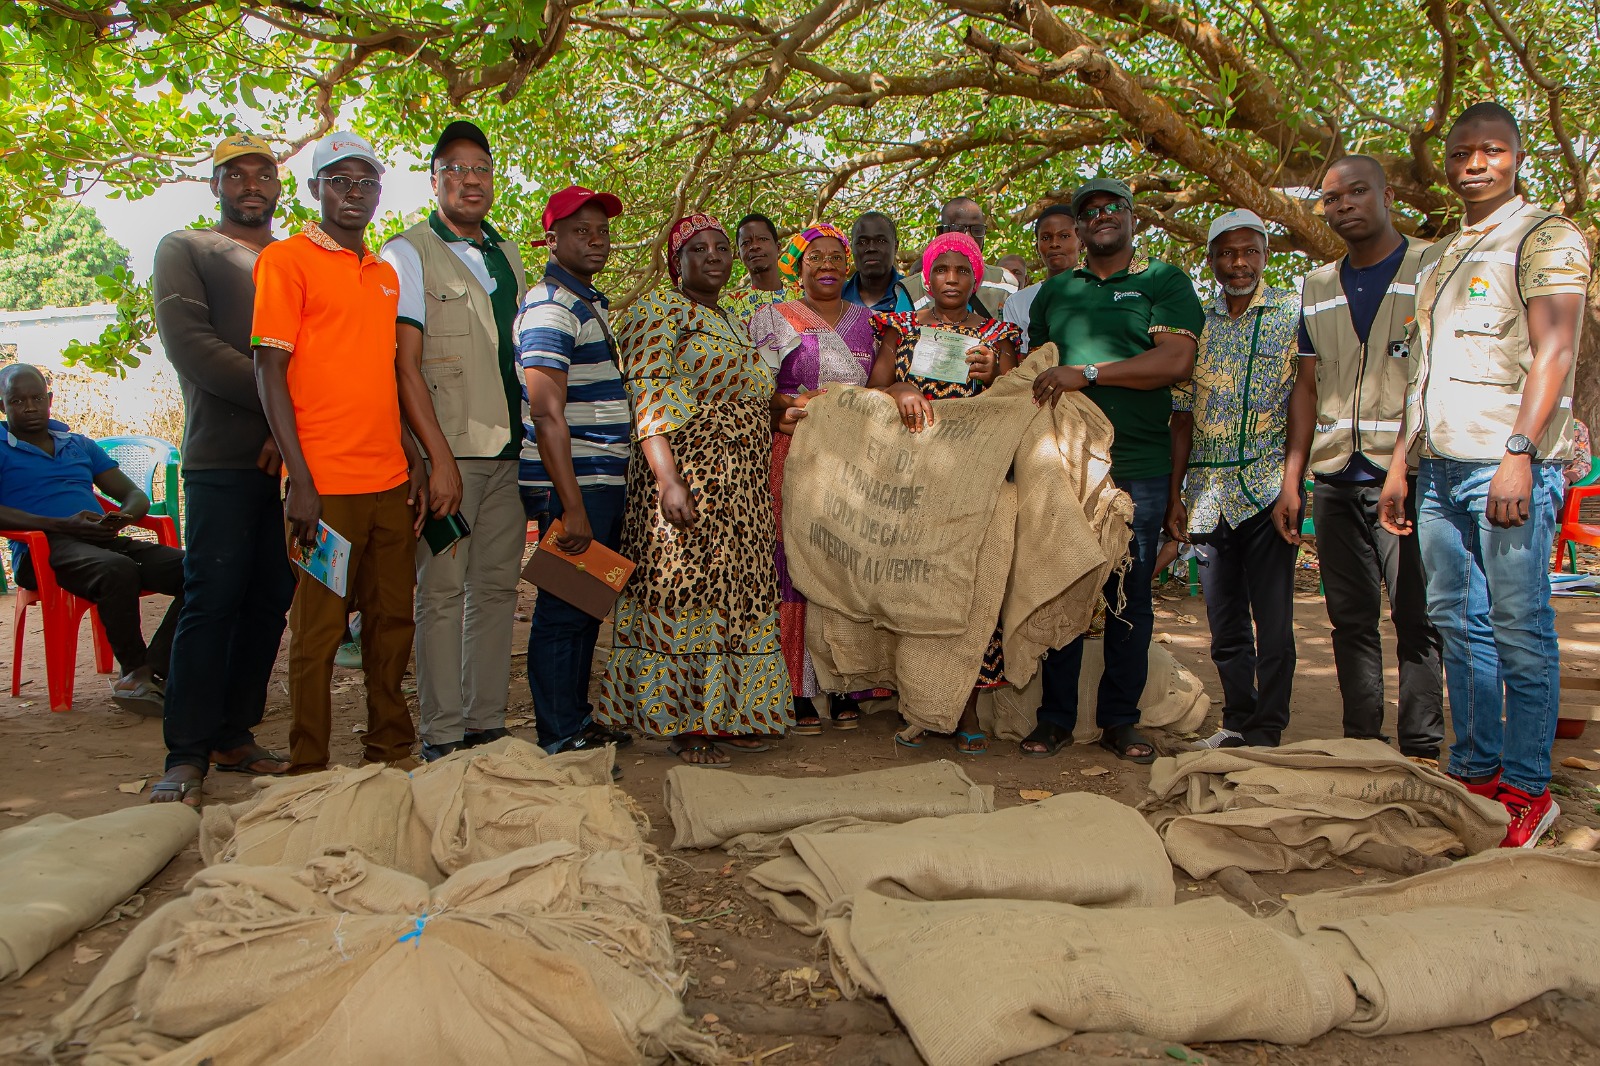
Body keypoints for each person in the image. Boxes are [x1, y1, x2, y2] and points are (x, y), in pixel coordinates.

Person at [1379, 102, 1592, 848]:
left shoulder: (1545, 237)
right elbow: (1423, 374)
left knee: (1519, 628)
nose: (1475, 163)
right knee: (1456, 626)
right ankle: (1472, 771)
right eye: (1463, 151)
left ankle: (1530, 788)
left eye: (1492, 150)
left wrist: (1519, 454)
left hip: (1504, 469)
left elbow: (1556, 352)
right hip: (1437, 469)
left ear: (1516, 157)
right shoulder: (1440, 256)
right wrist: (1402, 465)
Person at [251, 131, 427, 774]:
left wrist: (416, 461)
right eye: (339, 180)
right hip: (322, 488)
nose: (353, 193)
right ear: (315, 189)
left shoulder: (383, 272)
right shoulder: (287, 260)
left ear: (379, 194)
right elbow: (269, 366)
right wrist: (298, 477)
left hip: (388, 482)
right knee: (319, 634)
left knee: (391, 626)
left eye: (365, 183)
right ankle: (309, 767)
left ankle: (389, 753)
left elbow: (386, 374)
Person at [597, 213, 793, 764]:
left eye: (722, 247)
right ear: (675, 262)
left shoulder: (734, 316)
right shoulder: (656, 313)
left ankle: (732, 713)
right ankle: (688, 723)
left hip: (744, 487)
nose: (714, 256)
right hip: (690, 478)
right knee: (687, 592)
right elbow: (649, 398)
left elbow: (751, 392)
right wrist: (668, 481)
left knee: (738, 595)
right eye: (698, 248)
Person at [1023, 177, 1205, 763]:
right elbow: (1038, 371)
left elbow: (1175, 360)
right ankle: (1053, 719)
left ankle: (1119, 722)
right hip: (1063, 467)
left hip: (1138, 466)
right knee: (1061, 586)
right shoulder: (1055, 292)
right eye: (1089, 212)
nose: (1101, 217)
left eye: (1112, 208)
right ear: (1077, 230)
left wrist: (1091, 373)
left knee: (1129, 596)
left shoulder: (1163, 281)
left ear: (1132, 218)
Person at [1274, 155, 1444, 761]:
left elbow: (1431, 378)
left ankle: (1421, 748)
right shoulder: (1318, 286)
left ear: (1387, 194)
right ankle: (1362, 744)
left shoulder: (1432, 267)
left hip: (1411, 478)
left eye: (1356, 192)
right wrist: (1294, 480)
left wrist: (1399, 465)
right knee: (1350, 620)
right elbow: (1307, 387)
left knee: (1417, 619)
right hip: (1336, 479)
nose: (1343, 205)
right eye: (1331, 198)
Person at [149, 134, 296, 806]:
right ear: (215, 186)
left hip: (293, 468)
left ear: (278, 185)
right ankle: (185, 752)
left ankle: (234, 734)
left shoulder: (297, 259)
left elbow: (323, 353)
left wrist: (294, 436)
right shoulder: (187, 250)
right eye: (234, 174)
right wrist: (282, 415)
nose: (251, 184)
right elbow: (193, 348)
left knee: (271, 598)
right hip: (220, 461)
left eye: (263, 173)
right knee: (213, 599)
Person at [382, 120, 528, 762]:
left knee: (496, 590)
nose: (472, 180)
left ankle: (484, 725)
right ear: (434, 179)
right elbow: (403, 365)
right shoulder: (408, 251)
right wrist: (435, 458)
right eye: (457, 169)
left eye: (483, 169)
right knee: (441, 594)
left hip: (508, 452)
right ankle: (441, 735)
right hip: (452, 454)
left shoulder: (509, 253)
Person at [867, 231, 1018, 754]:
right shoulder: (900, 326)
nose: (950, 280)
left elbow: (1018, 399)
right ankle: (921, 710)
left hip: (975, 483)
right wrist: (901, 389)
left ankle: (966, 709)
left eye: (961, 271)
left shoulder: (998, 333)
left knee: (971, 595)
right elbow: (873, 389)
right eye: (940, 271)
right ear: (926, 278)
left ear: (975, 276)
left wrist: (996, 370)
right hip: (914, 483)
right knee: (918, 590)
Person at [1168, 210, 1301, 748]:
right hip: (1206, 497)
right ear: (1211, 260)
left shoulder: (1292, 316)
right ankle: (1237, 723)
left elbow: (1303, 406)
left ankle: (1268, 729)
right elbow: (1181, 416)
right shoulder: (1195, 324)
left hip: (1268, 490)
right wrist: (1177, 493)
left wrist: (1294, 484)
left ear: (1265, 255)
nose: (1237, 263)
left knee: (1273, 621)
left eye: (1248, 251)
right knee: (1224, 624)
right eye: (1226, 253)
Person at [749, 223, 882, 735]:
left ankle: (848, 681)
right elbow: (755, 389)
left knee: (846, 562)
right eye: (814, 258)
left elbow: (881, 387)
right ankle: (798, 687)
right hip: (796, 452)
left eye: (835, 258)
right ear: (797, 267)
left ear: (847, 268)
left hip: (857, 459)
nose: (826, 266)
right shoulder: (774, 317)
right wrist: (789, 403)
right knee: (794, 565)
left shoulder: (867, 321)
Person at [516, 184, 635, 758]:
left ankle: (575, 720)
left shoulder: (588, 302)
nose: (595, 240)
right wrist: (572, 506)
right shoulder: (550, 305)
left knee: (587, 606)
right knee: (564, 611)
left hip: (600, 478)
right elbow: (545, 411)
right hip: (578, 482)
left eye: (601, 231)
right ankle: (559, 733)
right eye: (580, 231)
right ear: (552, 238)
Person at [0, 364, 185, 715]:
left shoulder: (78, 444)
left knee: (198, 570)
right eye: (17, 401)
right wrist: (61, 525)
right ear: (3, 405)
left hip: (98, 542)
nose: (29, 407)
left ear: (50, 399)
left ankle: (154, 669)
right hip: (42, 552)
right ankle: (133, 670)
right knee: (116, 569)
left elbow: (132, 494)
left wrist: (122, 517)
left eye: (37, 398)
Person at [897, 198, 1018, 316]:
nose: (969, 237)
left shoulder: (1005, 282)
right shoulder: (913, 289)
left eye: (977, 230)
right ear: (941, 233)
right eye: (958, 229)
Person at [1002, 204, 1079, 353]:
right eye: (1046, 238)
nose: (1054, 244)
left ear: (1081, 241)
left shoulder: (1099, 289)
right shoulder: (1017, 302)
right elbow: (1016, 359)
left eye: (1064, 236)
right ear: (1037, 247)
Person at [724, 213, 793, 322]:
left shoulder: (804, 297)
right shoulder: (729, 306)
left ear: (778, 247)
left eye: (762, 239)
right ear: (740, 256)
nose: (754, 246)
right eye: (746, 243)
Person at [841, 211, 907, 313]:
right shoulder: (836, 296)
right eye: (862, 242)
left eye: (881, 241)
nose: (871, 248)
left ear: (895, 247)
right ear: (851, 248)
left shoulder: (914, 295)